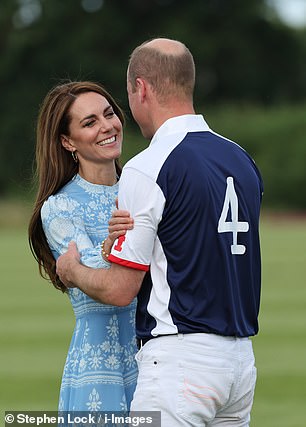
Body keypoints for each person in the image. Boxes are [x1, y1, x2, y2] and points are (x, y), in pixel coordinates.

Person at [57, 39, 264, 426]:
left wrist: (72, 271)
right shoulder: (242, 158)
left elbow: (121, 288)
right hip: (240, 365)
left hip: (180, 365)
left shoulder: (147, 166)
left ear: (142, 89)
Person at [28, 81, 138, 413]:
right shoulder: (59, 207)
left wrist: (90, 260)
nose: (107, 126)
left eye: (109, 114)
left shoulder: (144, 186)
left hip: (154, 358)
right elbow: (104, 282)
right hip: (97, 365)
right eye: (89, 122)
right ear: (67, 141)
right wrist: (108, 249)